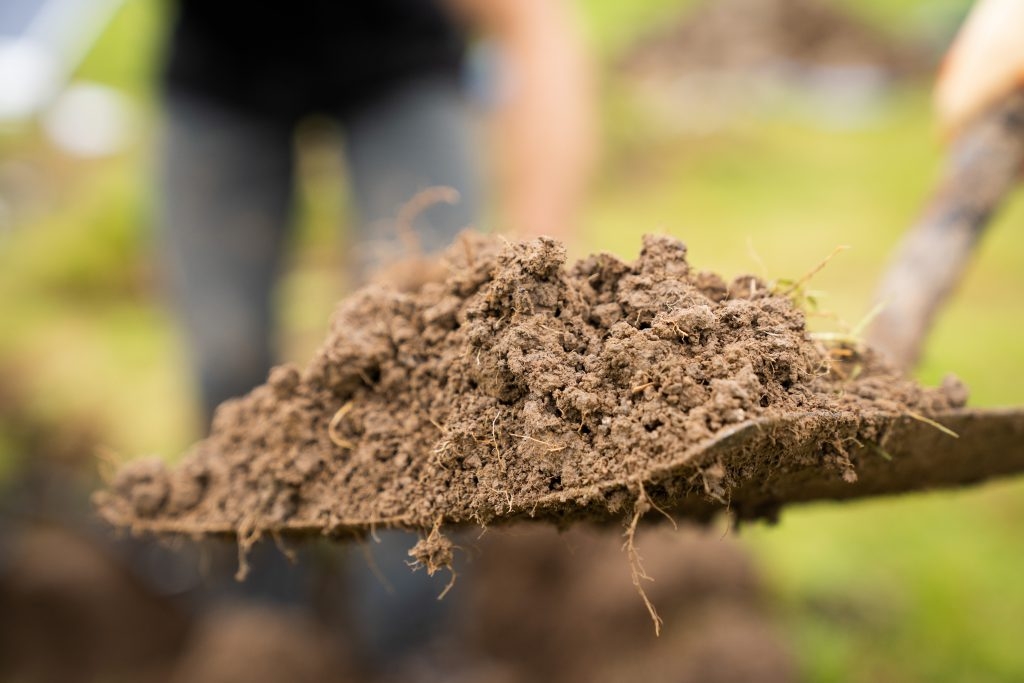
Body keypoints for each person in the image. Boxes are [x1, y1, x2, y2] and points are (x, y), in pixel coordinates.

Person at [154, 0, 596, 676]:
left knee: (425, 348)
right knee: (226, 357)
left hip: (402, 62)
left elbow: (533, 26)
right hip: (222, 69)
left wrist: (537, 265)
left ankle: (413, 638)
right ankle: (263, 626)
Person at [867, 0, 1024, 369]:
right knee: (944, 232)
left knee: (941, 234)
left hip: (1000, 84)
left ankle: (880, 366)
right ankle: (878, 373)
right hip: (1006, 89)